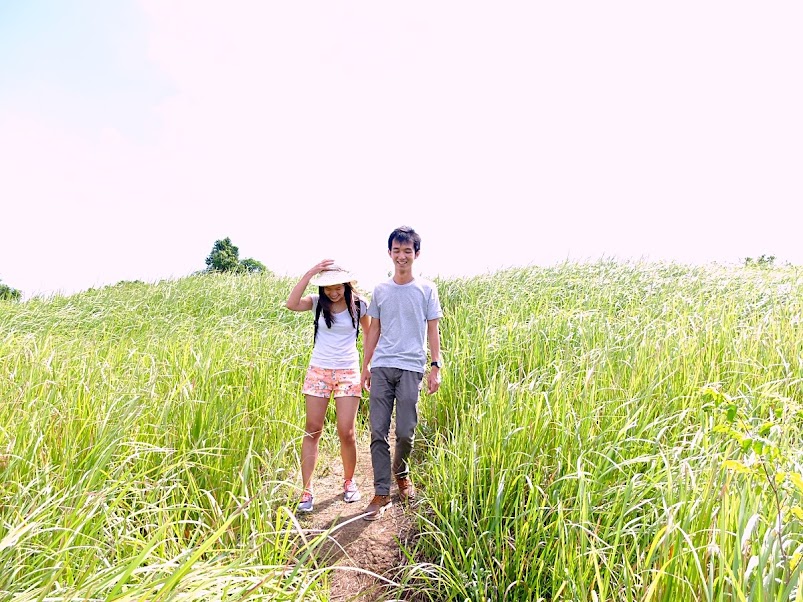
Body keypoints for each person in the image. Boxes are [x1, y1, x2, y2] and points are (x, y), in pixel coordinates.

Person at [360, 226, 443, 521]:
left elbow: (433, 329)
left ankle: (402, 474)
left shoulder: (427, 289)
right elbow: (374, 330)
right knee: (378, 430)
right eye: (397, 250)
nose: (402, 256)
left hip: (412, 367)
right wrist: (365, 365)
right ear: (389, 253)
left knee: (406, 431)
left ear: (416, 254)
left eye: (407, 250)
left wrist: (435, 366)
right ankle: (381, 492)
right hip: (382, 365)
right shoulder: (381, 290)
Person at [286, 260, 371, 513]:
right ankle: (306, 491)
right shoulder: (316, 303)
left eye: (338, 287)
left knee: (347, 432)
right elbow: (291, 303)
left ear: (346, 285)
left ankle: (349, 482)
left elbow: (370, 334)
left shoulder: (360, 305)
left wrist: (367, 367)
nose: (333, 292)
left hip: (348, 372)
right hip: (319, 371)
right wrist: (310, 273)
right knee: (312, 429)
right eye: (328, 288)